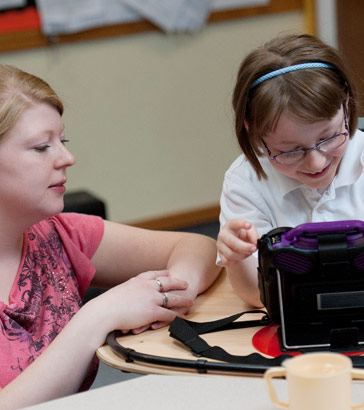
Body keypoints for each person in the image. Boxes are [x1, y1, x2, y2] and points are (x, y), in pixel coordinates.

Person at [0, 64, 221, 409]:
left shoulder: (58, 235)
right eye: (42, 147)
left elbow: (197, 246)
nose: (67, 158)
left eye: (63, 141)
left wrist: (176, 290)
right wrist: (97, 316)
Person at [216, 33, 362, 307]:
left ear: (346, 103)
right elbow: (256, 296)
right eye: (290, 151)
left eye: (329, 137)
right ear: (253, 131)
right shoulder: (246, 181)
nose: (316, 163)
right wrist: (235, 259)